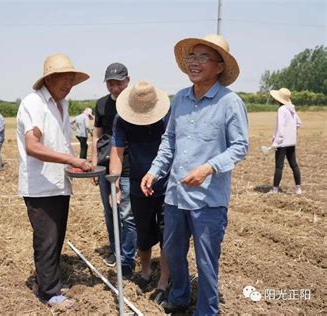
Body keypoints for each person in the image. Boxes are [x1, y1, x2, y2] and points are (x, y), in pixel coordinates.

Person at [141, 34, 249, 315]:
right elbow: (169, 141)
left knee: (205, 262)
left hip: (208, 200)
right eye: (192, 57)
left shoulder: (229, 102)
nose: (195, 63)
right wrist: (155, 171)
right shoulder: (180, 98)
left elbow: (240, 146)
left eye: (203, 58)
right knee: (174, 254)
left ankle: (206, 311)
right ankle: (178, 298)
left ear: (219, 67)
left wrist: (208, 168)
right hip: (176, 195)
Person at [16, 53, 92, 308]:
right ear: (49, 78)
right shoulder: (34, 103)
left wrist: (76, 166)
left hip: (59, 183)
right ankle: (49, 293)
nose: (68, 85)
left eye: (72, 80)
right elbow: (32, 146)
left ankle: (49, 281)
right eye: (64, 79)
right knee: (47, 238)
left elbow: (58, 143)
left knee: (56, 236)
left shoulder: (63, 104)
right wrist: (71, 160)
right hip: (40, 185)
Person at [110, 80, 171, 303]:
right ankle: (145, 271)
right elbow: (117, 153)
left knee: (167, 234)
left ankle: (164, 279)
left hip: (167, 186)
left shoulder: (167, 115)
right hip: (137, 185)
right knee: (143, 234)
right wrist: (114, 183)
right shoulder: (121, 119)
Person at [91, 62, 136, 273]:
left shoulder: (136, 102)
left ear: (128, 80)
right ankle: (115, 249)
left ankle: (129, 254)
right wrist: (93, 162)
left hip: (129, 164)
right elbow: (96, 134)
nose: (114, 88)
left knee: (127, 213)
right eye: (110, 84)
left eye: (118, 83)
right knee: (110, 210)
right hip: (105, 165)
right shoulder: (101, 105)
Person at [269, 88, 302, 194]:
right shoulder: (291, 109)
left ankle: (275, 190)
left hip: (282, 143)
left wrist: (275, 143)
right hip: (291, 142)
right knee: (294, 165)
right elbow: (298, 123)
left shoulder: (281, 109)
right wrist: (291, 133)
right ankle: (298, 188)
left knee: (279, 166)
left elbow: (280, 128)